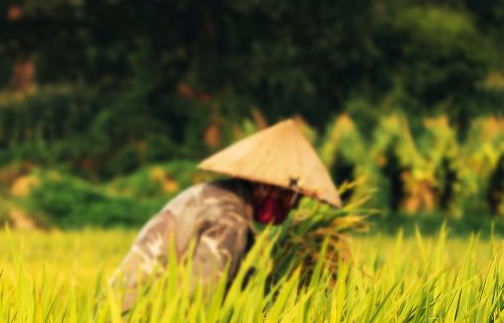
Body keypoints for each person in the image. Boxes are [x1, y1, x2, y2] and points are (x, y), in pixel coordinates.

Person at [111, 119, 341, 311]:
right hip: (136, 318)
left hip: (124, 306)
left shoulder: (219, 196)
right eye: (294, 198)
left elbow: (232, 277)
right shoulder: (229, 219)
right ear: (269, 187)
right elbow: (200, 299)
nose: (292, 208)